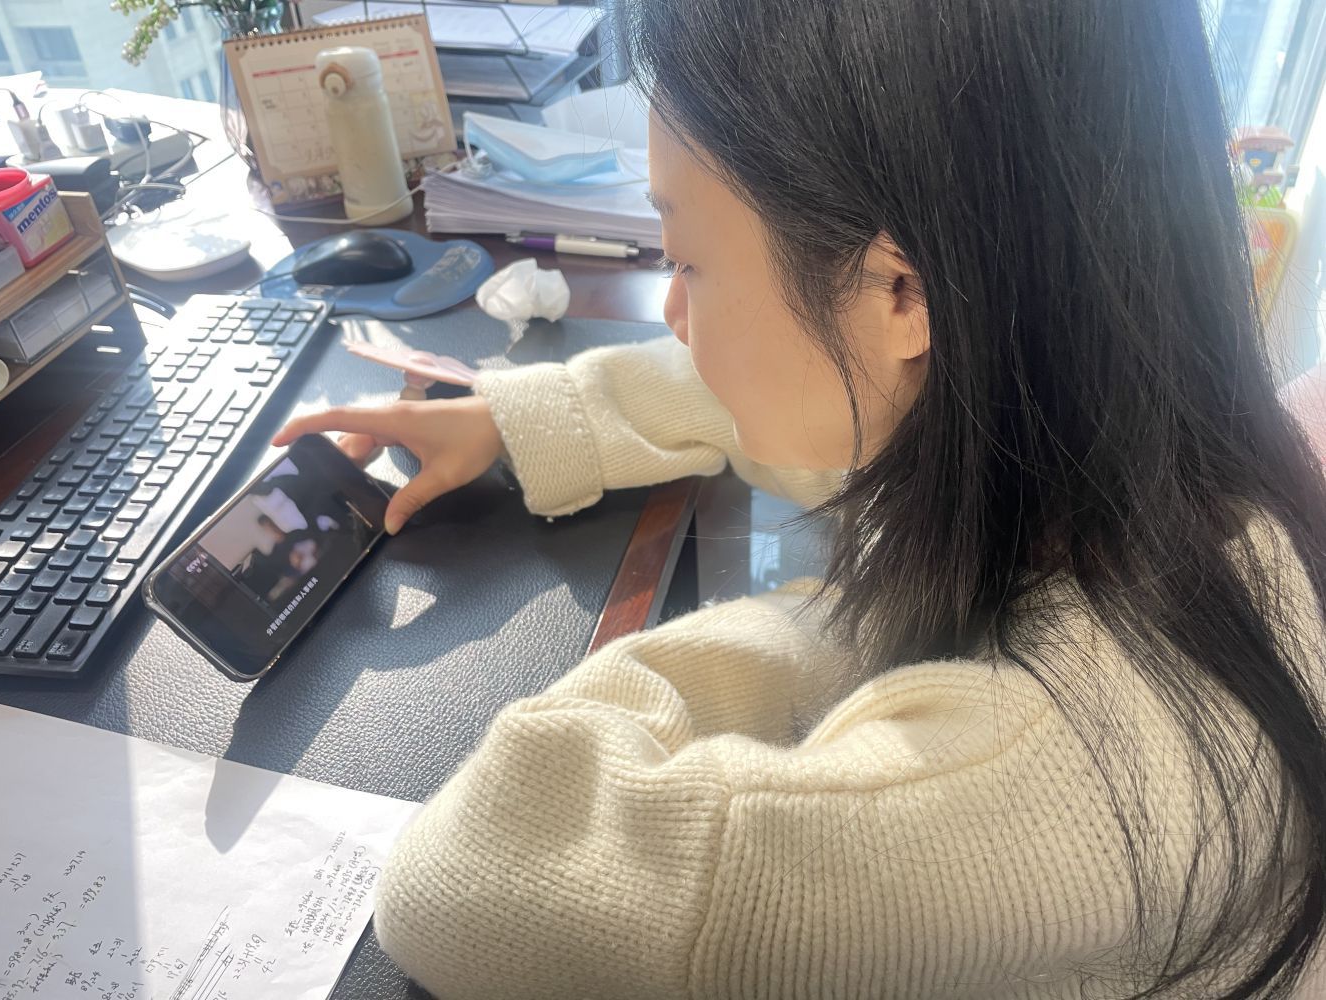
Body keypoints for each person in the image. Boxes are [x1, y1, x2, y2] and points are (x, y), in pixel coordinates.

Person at [273, 0, 1326, 996]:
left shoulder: (1025, 781)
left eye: (686, 260)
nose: (672, 313)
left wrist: (818, 624)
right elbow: (786, 390)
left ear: (903, 292)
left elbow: (469, 874)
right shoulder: (1131, 451)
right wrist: (516, 416)